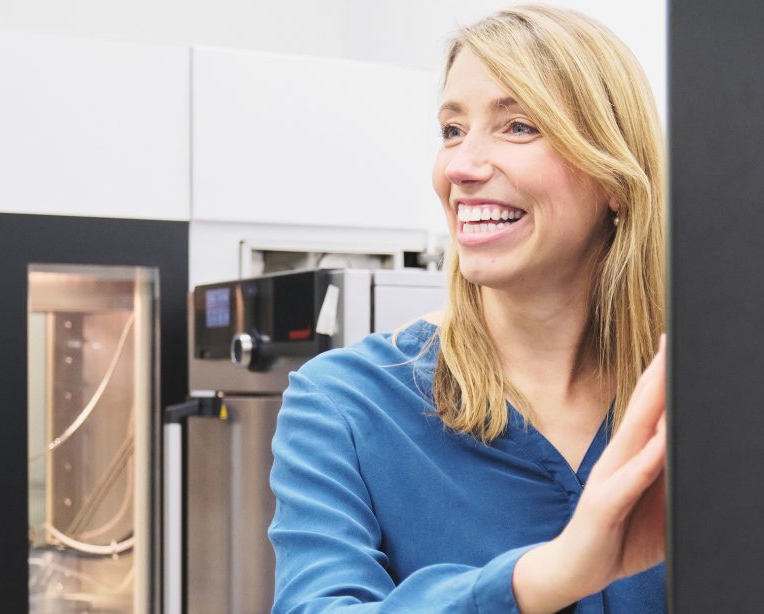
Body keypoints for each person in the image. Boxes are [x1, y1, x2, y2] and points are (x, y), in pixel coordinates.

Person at [269, 5, 666, 612]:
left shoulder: (700, 397)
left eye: (519, 126)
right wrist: (541, 579)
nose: (460, 166)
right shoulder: (345, 403)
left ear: (611, 175)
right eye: (452, 131)